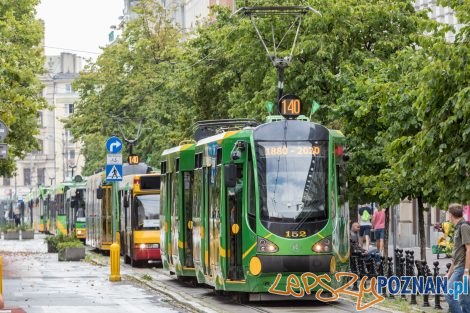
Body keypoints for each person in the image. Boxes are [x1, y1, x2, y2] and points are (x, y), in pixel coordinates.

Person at [444, 203, 470, 313]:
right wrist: (449, 273)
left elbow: (469, 249)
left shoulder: (464, 227)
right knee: (465, 301)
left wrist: (466, 271)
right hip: (458, 267)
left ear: (451, 215)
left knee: (449, 294)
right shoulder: (458, 227)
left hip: (462, 268)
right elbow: (456, 255)